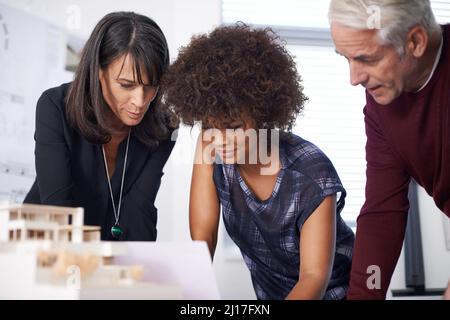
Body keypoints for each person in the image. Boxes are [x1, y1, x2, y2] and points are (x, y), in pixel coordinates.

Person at [161, 24, 354, 300]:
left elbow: (313, 279)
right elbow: (203, 238)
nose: (221, 140)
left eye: (234, 126)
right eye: (210, 126)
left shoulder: (312, 174)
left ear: (264, 115)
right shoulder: (209, 145)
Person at [328, 0, 450, 299]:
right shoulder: (382, 105)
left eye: (366, 59)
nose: (354, 78)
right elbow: (383, 213)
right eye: (346, 59)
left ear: (415, 41)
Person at [24, 12, 177, 241]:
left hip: (106, 256)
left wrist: (138, 272)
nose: (140, 101)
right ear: (98, 71)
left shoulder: (163, 128)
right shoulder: (55, 107)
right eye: (127, 85)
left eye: (151, 86)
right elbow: (59, 212)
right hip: (43, 246)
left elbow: (139, 211)